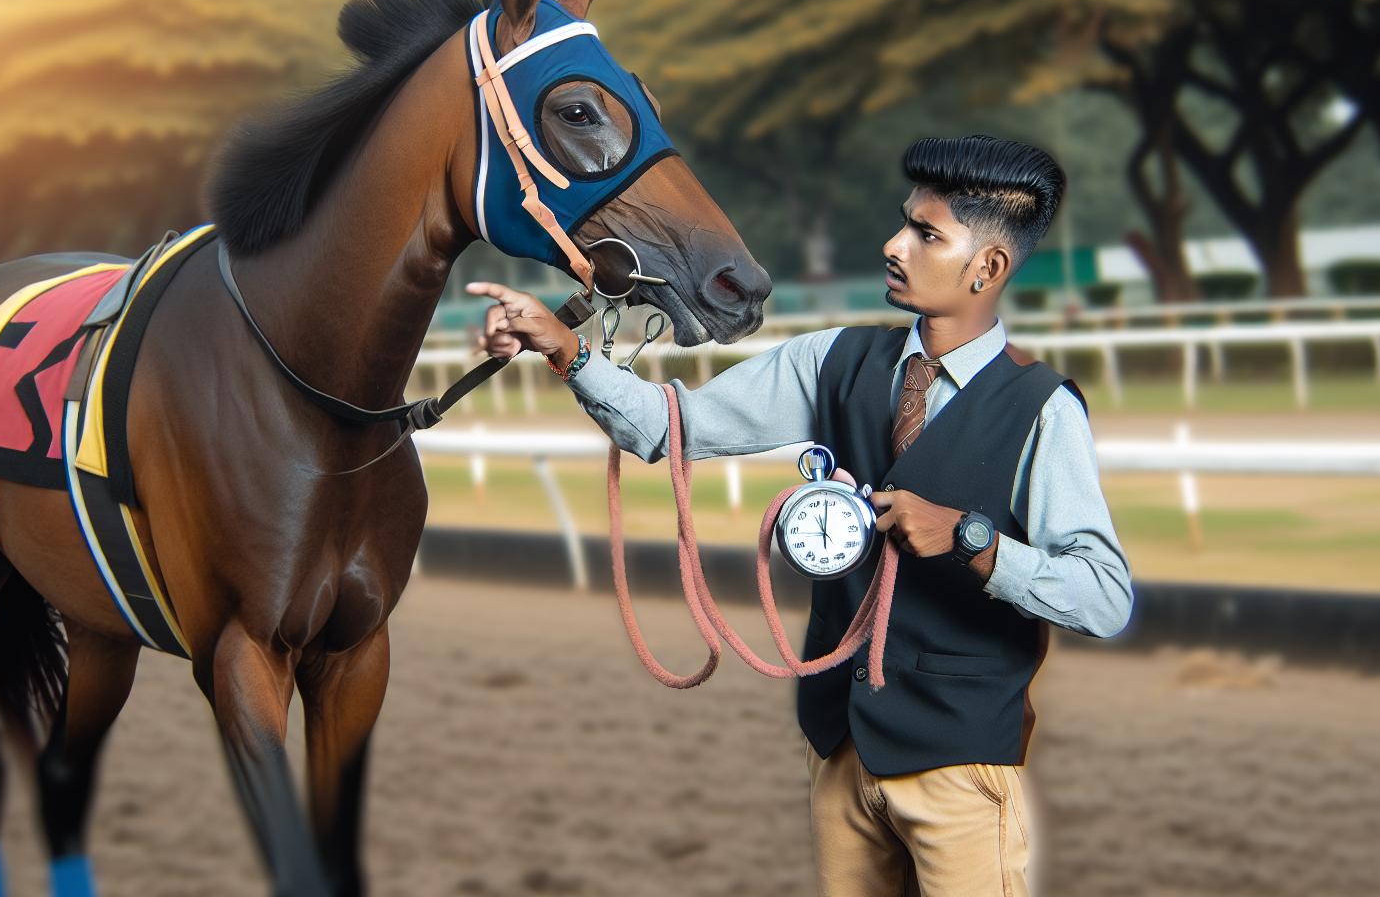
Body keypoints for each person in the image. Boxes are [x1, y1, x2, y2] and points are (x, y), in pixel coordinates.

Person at [468, 134, 1134, 895]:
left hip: (962, 767)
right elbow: (667, 426)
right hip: (837, 750)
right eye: (902, 223)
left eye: (925, 234)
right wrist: (566, 350)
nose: (894, 245)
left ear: (987, 268)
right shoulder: (830, 360)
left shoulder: (1045, 410)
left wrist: (975, 541)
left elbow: (1105, 597)